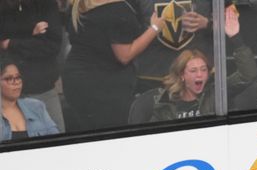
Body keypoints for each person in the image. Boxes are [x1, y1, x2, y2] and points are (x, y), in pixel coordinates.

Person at [62, 0, 165, 131]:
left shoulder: (79, 5)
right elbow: (125, 55)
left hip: (76, 82)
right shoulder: (116, 9)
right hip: (102, 88)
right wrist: (155, 28)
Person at [149, 5, 256, 121]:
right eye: (193, 70)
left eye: (204, 69)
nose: (199, 74)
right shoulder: (165, 105)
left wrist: (236, 38)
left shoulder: (216, 93)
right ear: (182, 75)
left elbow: (248, 74)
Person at [0, 0, 65, 132]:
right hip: (6, 94)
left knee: (58, 142)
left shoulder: (45, 3)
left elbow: (51, 45)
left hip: (42, 87)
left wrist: (11, 43)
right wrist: (31, 31)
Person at [132, 0, 213, 93]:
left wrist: (208, 23)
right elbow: (123, 34)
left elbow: (231, 23)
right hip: (151, 77)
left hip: (201, 78)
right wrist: (152, 30)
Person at [1, 58, 59, 140]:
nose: (16, 82)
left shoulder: (37, 106)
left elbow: (56, 141)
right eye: (9, 78)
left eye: (18, 77)